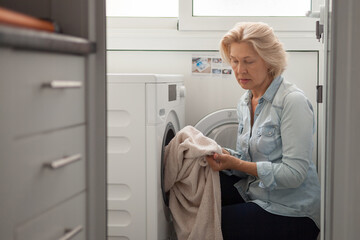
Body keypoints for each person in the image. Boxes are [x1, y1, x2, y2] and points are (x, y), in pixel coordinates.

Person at [206, 22, 320, 240]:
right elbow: (248, 161)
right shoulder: (245, 101)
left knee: (210, 223)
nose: (240, 70)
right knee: (200, 186)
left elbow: (295, 174)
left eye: (248, 61)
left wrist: (237, 164)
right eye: (235, 61)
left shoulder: (292, 101)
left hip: (292, 209)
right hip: (256, 193)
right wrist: (227, 155)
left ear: (269, 61)